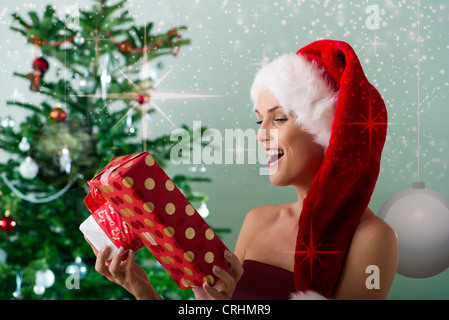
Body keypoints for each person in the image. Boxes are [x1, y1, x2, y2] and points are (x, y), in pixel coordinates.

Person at [87, 39, 398, 300]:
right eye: (258, 120)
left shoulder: (371, 238)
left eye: (279, 118)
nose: (261, 134)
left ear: (328, 131)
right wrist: (143, 292)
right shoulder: (258, 220)